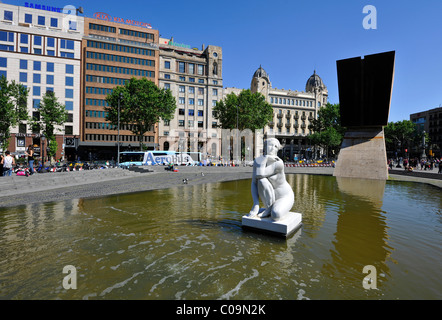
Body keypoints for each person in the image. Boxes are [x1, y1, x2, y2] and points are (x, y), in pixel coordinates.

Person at [248, 138, 295, 222]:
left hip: (284, 196)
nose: (272, 148)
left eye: (275, 146)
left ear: (277, 150)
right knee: (261, 181)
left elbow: (260, 174)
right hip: (270, 198)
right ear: (265, 147)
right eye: (270, 145)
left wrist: (265, 158)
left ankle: (270, 209)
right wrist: (256, 204)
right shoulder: (257, 161)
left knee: (276, 215)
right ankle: (269, 207)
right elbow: (254, 183)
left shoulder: (278, 163)